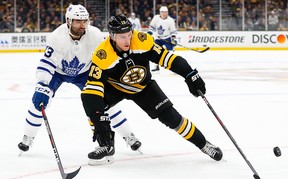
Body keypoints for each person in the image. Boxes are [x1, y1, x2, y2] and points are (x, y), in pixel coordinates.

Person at [80, 14, 223, 166]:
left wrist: (190, 74)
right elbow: (92, 88)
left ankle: (204, 144)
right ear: (112, 36)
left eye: (129, 35)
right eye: (122, 37)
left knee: (173, 119)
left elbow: (167, 58)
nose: (128, 40)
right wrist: (98, 119)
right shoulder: (103, 54)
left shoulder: (142, 41)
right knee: (91, 104)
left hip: (144, 87)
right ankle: (106, 145)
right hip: (115, 88)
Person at [18, 4, 141, 158]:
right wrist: (42, 84)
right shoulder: (57, 37)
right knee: (40, 102)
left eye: (85, 21)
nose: (83, 25)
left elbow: (107, 55)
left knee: (105, 103)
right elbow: (47, 63)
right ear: (68, 21)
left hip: (85, 73)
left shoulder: (95, 35)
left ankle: (128, 135)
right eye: (78, 21)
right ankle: (28, 137)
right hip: (58, 72)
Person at [148, 6, 177, 71]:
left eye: (165, 12)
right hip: (158, 38)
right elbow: (152, 27)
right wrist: (150, 33)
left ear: (167, 13)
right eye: (162, 12)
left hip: (167, 38)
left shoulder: (171, 20)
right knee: (156, 52)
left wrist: (173, 39)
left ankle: (174, 66)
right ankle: (156, 66)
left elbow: (173, 31)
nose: (164, 13)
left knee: (171, 52)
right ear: (160, 12)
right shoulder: (156, 18)